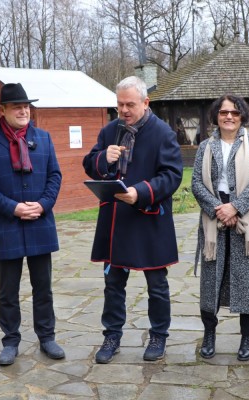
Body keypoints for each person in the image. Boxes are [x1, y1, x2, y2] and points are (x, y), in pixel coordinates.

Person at [82, 76, 183, 364]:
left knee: (157, 284)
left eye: (129, 104)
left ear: (145, 102)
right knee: (113, 283)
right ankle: (112, 336)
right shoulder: (109, 130)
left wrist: (140, 192)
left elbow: (172, 176)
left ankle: (158, 336)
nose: (123, 111)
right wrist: (104, 157)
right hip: (115, 220)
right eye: (119, 105)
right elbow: (90, 163)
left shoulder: (163, 133)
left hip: (149, 218)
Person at [0, 83, 65, 365]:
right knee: (8, 290)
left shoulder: (44, 138)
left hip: (40, 221)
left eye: (26, 106)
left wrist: (44, 204)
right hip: (7, 225)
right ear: (2, 110)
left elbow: (55, 176)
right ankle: (10, 341)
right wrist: (12, 208)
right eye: (17, 106)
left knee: (43, 287)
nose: (24, 110)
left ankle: (47, 337)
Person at [191, 94, 249, 361]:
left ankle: (247, 338)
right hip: (214, 217)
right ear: (216, 115)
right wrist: (219, 208)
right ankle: (209, 335)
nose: (229, 117)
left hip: (246, 219)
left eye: (235, 113)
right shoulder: (205, 146)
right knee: (211, 280)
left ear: (242, 116)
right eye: (224, 112)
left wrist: (235, 207)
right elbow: (196, 184)